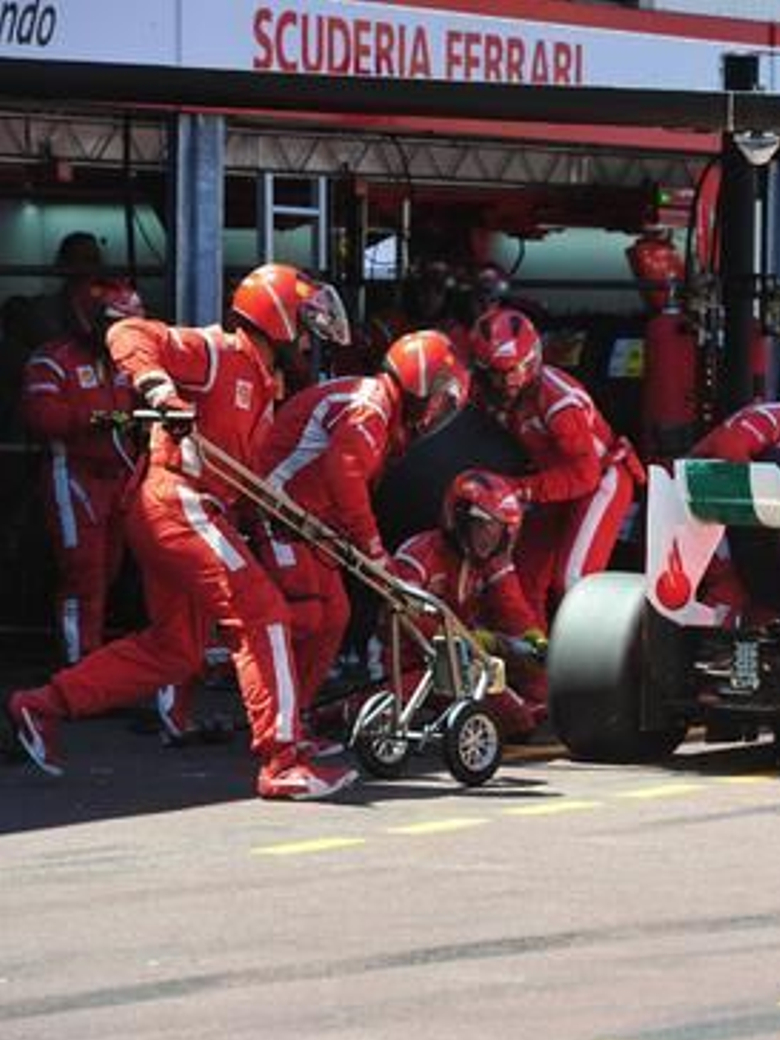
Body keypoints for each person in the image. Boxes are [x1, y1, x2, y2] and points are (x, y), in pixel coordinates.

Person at [4, 264, 359, 800]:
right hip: (180, 504)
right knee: (262, 614)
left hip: (187, 510)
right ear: (281, 321)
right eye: (306, 329)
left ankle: (40, 706)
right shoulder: (218, 352)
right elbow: (127, 333)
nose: (310, 343)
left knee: (176, 651)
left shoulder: (264, 382)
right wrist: (159, 389)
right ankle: (282, 759)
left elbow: (247, 474)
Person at [255, 329, 468, 731]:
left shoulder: (379, 408)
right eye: (440, 394)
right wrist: (372, 550)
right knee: (304, 614)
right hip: (276, 509)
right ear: (418, 380)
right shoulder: (371, 406)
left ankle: (293, 720)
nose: (440, 407)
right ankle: (231, 659)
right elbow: (345, 476)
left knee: (334, 615)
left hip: (305, 520)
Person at [470, 307, 644, 631]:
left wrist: (521, 489)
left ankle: (598, 663)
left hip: (601, 480)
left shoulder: (557, 400)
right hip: (550, 483)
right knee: (522, 579)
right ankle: (535, 666)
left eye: (516, 369)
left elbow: (584, 474)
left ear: (533, 359)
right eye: (497, 372)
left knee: (575, 581)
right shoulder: (483, 396)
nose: (508, 381)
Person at [20, 278, 144, 664]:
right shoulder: (53, 360)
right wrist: (98, 419)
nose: (124, 335)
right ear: (90, 321)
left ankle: (92, 663)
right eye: (117, 325)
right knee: (83, 576)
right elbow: (41, 418)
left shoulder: (131, 364)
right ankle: (81, 669)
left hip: (120, 480)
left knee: (108, 572)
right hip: (72, 475)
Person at [390, 470, 547, 739]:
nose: (492, 537)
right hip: (404, 660)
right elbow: (407, 617)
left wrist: (535, 640)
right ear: (460, 518)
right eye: (485, 526)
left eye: (500, 529)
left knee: (520, 722)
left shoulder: (494, 562)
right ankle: (331, 712)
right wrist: (468, 640)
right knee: (383, 708)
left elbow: (514, 611)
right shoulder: (417, 555)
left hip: (463, 661)